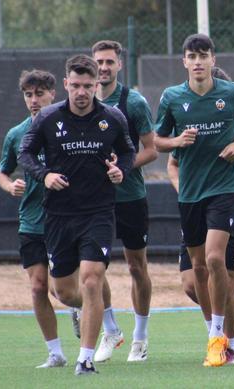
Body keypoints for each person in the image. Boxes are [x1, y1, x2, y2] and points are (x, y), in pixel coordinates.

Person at [19, 54, 135, 375]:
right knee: (65, 291)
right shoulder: (47, 118)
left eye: (88, 86)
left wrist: (120, 170)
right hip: (58, 215)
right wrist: (44, 175)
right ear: (66, 83)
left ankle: (85, 358)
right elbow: (25, 153)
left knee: (91, 280)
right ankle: (89, 317)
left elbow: (127, 152)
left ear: (97, 85)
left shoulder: (112, 118)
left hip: (98, 212)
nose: (82, 92)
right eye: (76, 85)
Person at [154, 34, 234, 367]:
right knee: (198, 268)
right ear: (183, 61)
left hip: (224, 189)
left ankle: (219, 338)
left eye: (204, 55)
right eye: (192, 56)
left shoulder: (231, 92)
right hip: (190, 193)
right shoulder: (172, 97)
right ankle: (213, 333)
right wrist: (176, 141)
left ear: (213, 59)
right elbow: (156, 141)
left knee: (215, 260)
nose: (198, 62)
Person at [91, 40, 158, 363]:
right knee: (94, 267)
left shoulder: (133, 102)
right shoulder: (82, 102)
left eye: (109, 62)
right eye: (99, 62)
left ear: (119, 65)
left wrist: (123, 167)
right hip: (94, 201)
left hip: (131, 196)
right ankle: (111, 330)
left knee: (136, 266)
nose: (103, 68)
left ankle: (140, 338)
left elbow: (152, 148)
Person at [0, 69, 67, 369]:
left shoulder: (67, 127)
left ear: (53, 93)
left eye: (40, 93)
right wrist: (10, 185)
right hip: (32, 220)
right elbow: (2, 172)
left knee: (64, 290)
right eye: (29, 95)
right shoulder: (16, 134)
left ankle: (84, 311)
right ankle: (55, 352)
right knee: (38, 287)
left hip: (66, 219)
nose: (34, 100)